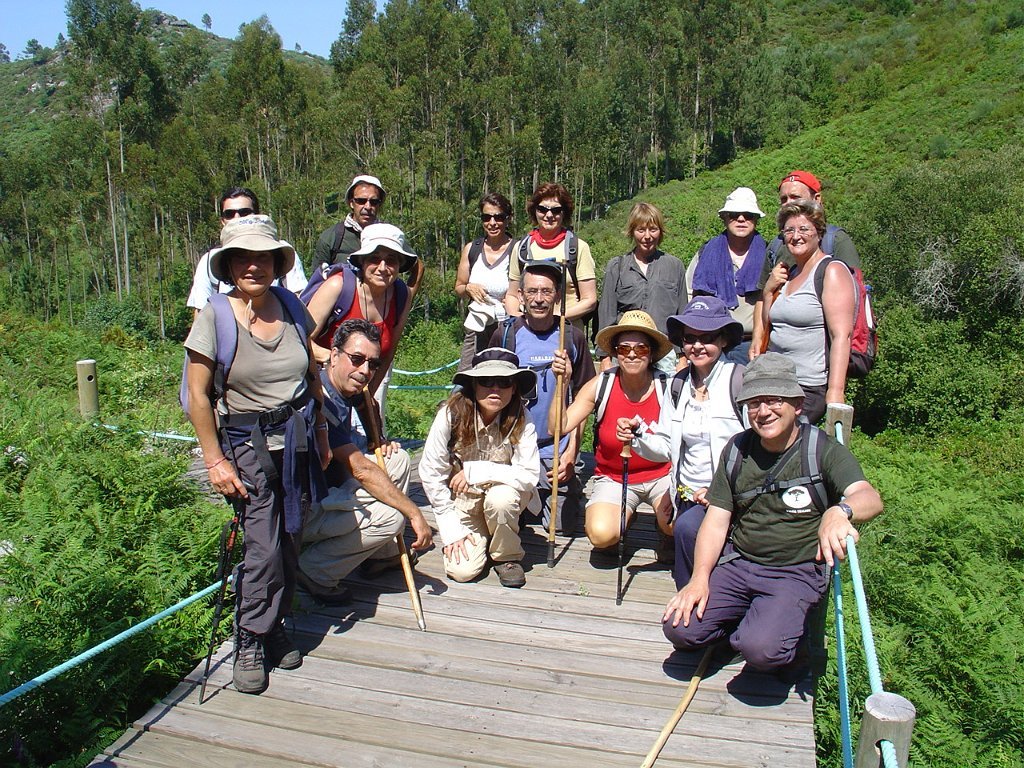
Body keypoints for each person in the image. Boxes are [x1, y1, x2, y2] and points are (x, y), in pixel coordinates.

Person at [661, 352, 883, 673]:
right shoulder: (737, 449)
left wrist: (840, 510)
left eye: (774, 400)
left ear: (797, 404)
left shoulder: (822, 450)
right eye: (753, 403)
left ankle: (773, 634)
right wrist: (699, 579)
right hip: (739, 563)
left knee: (760, 650)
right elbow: (717, 519)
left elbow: (869, 497)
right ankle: (747, 621)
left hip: (795, 571)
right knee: (680, 629)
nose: (763, 412)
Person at [184, 214, 330, 695]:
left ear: (275, 263)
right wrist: (215, 461)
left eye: (263, 257)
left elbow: (310, 374)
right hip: (246, 444)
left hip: (298, 438)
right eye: (244, 258)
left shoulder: (290, 305)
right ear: (228, 265)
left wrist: (324, 434)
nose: (254, 266)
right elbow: (198, 396)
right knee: (262, 546)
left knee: (291, 537)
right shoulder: (215, 317)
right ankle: (248, 636)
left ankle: (275, 626)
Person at [297, 319, 433, 605]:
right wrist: (414, 513)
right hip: (305, 507)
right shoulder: (322, 399)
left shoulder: (346, 395)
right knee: (391, 518)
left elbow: (361, 456)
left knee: (396, 459)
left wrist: (379, 443)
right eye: (356, 359)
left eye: (372, 364)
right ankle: (314, 570)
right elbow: (360, 468)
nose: (365, 371)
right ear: (333, 355)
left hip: (330, 487)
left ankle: (379, 555)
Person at [635, 297, 746, 587]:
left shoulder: (739, 381)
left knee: (687, 531)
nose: (697, 345)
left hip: (729, 496)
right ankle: (690, 607)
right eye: (689, 338)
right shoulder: (678, 384)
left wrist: (721, 489)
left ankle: (696, 605)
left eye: (707, 337)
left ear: (723, 340)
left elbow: (755, 446)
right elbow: (665, 445)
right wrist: (637, 435)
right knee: (687, 539)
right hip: (685, 495)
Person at [549, 310, 673, 551]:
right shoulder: (602, 384)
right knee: (601, 535)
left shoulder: (667, 387)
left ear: (652, 353)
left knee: (676, 524)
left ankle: (664, 530)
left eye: (642, 349)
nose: (632, 354)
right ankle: (624, 517)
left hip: (663, 475)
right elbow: (558, 427)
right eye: (624, 349)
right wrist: (561, 384)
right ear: (616, 352)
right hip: (615, 476)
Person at [490, 261, 597, 534]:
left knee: (563, 525)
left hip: (555, 448)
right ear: (521, 295)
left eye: (547, 292)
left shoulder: (572, 336)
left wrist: (572, 451)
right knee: (511, 518)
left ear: (558, 296)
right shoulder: (505, 335)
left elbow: (584, 401)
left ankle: (550, 493)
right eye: (533, 291)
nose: (539, 299)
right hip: (513, 447)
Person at [418, 349, 539, 588]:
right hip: (465, 503)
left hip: (504, 498)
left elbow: (529, 476)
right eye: (486, 381)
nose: (495, 389)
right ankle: (489, 535)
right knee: (462, 571)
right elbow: (431, 472)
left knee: (501, 499)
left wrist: (476, 471)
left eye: (504, 382)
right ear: (473, 385)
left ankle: (506, 556)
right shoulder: (450, 414)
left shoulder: (523, 418)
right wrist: (450, 528)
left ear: (514, 387)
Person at [304, 223, 418, 429]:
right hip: (319, 388)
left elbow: (387, 354)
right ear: (362, 261)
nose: (383, 267)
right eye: (375, 258)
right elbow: (300, 340)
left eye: (391, 260)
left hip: (356, 391)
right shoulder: (338, 286)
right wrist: (337, 359)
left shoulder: (401, 296)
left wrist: (366, 399)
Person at [762, 200, 856, 424]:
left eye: (804, 229)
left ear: (819, 233)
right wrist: (768, 292)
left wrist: (835, 391)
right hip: (775, 381)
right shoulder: (789, 273)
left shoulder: (830, 271)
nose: (796, 236)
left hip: (807, 387)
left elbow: (841, 336)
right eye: (789, 230)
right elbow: (772, 324)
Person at [751, 170, 861, 358]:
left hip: (820, 361)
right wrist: (758, 338)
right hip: (778, 357)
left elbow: (855, 300)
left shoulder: (836, 241)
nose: (788, 203)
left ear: (817, 199)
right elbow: (763, 297)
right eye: (783, 199)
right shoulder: (777, 245)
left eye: (795, 197)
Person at [187, 187, 307, 318]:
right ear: (222, 221)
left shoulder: (281, 251)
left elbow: (298, 299)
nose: (237, 218)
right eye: (229, 214)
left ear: (257, 215)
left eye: (244, 212)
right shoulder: (209, 260)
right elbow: (200, 312)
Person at [597, 203, 688, 372]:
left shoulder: (674, 266)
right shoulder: (617, 266)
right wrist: (604, 358)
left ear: (660, 231)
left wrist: (682, 357)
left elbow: (682, 315)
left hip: (665, 354)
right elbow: (606, 313)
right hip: (626, 353)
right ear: (632, 232)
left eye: (653, 229)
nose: (647, 236)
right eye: (641, 230)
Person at [685, 188, 766, 364]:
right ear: (724, 218)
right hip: (711, 344)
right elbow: (689, 293)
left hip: (753, 344)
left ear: (756, 219)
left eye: (748, 215)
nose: (741, 219)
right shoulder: (705, 253)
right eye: (734, 214)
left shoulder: (769, 255)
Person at [504, 183, 598, 329]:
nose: (549, 215)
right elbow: (512, 295)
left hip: (567, 332)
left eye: (556, 210)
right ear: (534, 211)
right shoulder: (521, 248)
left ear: (564, 213)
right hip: (528, 333)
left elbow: (590, 300)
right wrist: (519, 319)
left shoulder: (578, 248)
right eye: (542, 209)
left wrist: (552, 318)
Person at [455, 193, 514, 371]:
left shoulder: (518, 250)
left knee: (505, 377)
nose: (492, 223)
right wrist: (468, 288)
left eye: (498, 217)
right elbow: (458, 287)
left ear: (507, 219)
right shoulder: (472, 249)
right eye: (486, 217)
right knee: (465, 379)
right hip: (476, 327)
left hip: (506, 328)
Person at [311, 174, 387, 269]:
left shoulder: (389, 237)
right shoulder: (331, 238)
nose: (367, 206)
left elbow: (410, 265)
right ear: (351, 203)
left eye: (374, 202)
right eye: (361, 201)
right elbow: (317, 280)